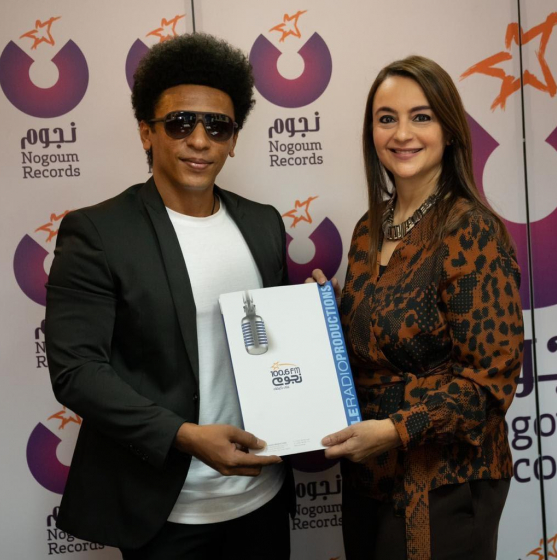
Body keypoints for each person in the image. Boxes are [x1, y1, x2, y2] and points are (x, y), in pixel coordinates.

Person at [46, 34, 292, 560]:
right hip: (166, 514)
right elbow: (76, 370)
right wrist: (183, 435)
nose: (199, 140)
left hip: (262, 498)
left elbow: (271, 346)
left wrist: (311, 314)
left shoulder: (263, 224)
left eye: (218, 126)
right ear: (146, 131)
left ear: (234, 139)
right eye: (180, 123)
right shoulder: (98, 232)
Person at [310, 56, 524, 560]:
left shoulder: (471, 230)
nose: (402, 134)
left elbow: (489, 384)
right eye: (387, 118)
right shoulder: (369, 229)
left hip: (447, 481)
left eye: (421, 117)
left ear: (449, 131)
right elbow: (379, 348)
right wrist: (327, 317)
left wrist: (395, 431)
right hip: (368, 478)